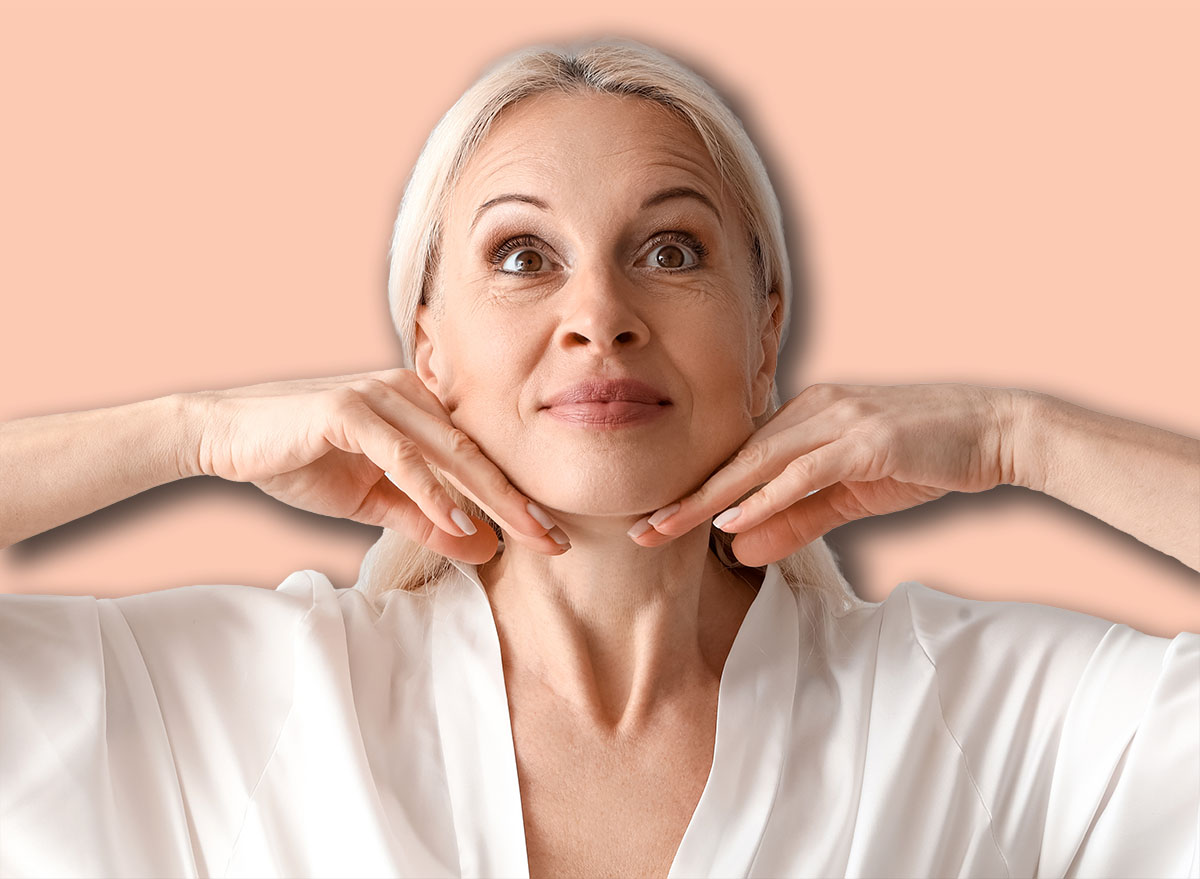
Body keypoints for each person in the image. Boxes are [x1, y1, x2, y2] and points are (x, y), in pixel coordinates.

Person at [1, 36, 1197, 879]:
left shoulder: (977, 717)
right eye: (522, 257)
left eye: (671, 251)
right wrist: (191, 433)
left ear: (765, 328)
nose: (599, 316)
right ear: (428, 347)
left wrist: (1020, 439)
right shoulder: (241, 705)